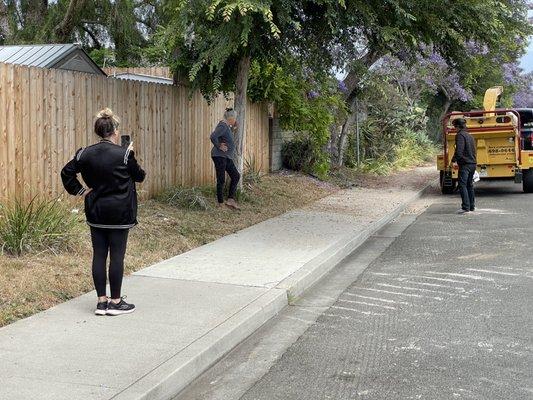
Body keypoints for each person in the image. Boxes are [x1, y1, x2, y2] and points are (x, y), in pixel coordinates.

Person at [61, 108, 146, 316]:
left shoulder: (84, 153)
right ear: (115, 131)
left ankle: (101, 302)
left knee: (99, 255)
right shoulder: (124, 154)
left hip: (96, 211)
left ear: (98, 131)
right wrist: (130, 155)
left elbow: (66, 173)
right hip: (120, 214)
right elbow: (140, 176)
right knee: (117, 256)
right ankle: (116, 303)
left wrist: (81, 191)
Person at [210, 108, 241, 209]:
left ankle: (230, 200)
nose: (235, 120)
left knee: (235, 176)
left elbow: (225, 137)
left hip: (226, 157)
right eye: (235, 118)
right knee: (221, 179)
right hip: (219, 156)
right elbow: (213, 136)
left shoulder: (226, 126)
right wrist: (219, 146)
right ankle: (220, 203)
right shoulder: (223, 125)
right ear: (231, 118)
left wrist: (233, 128)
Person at [451, 117, 477, 214]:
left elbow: (459, 151)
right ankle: (471, 206)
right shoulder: (470, 136)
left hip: (465, 164)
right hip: (473, 163)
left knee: (462, 185)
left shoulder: (460, 135)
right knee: (469, 185)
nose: (454, 129)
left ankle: (465, 207)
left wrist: (454, 160)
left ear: (457, 126)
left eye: (454, 127)